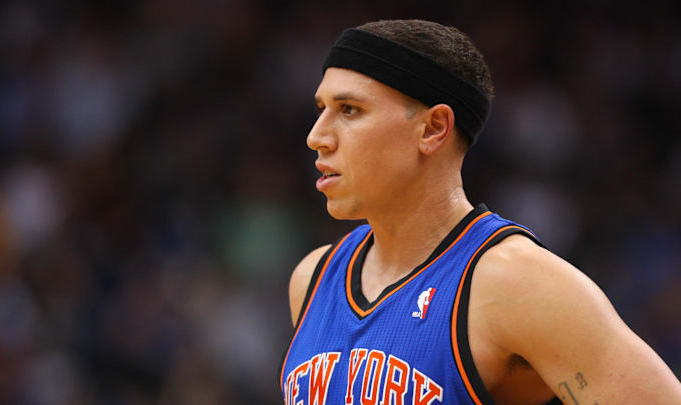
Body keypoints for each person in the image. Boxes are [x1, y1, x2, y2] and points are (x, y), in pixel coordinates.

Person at [279, 19, 681, 405]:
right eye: (321, 108)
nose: (317, 136)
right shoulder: (312, 280)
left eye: (349, 110)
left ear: (433, 128)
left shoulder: (516, 284)